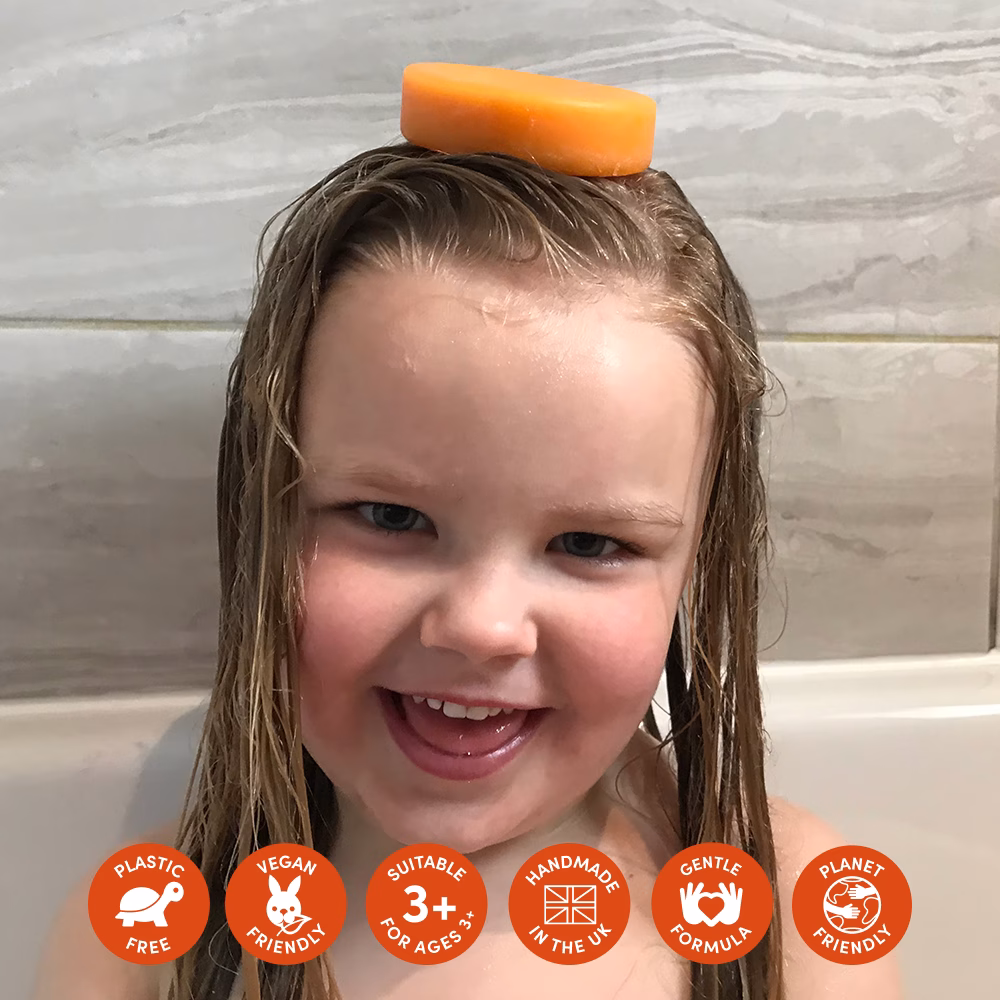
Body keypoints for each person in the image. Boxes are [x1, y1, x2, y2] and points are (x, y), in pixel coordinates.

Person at [32, 132, 905, 1000]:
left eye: (592, 544)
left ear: (694, 564)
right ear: (265, 514)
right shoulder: (150, 936)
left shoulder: (797, 917)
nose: (483, 625)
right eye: (390, 517)